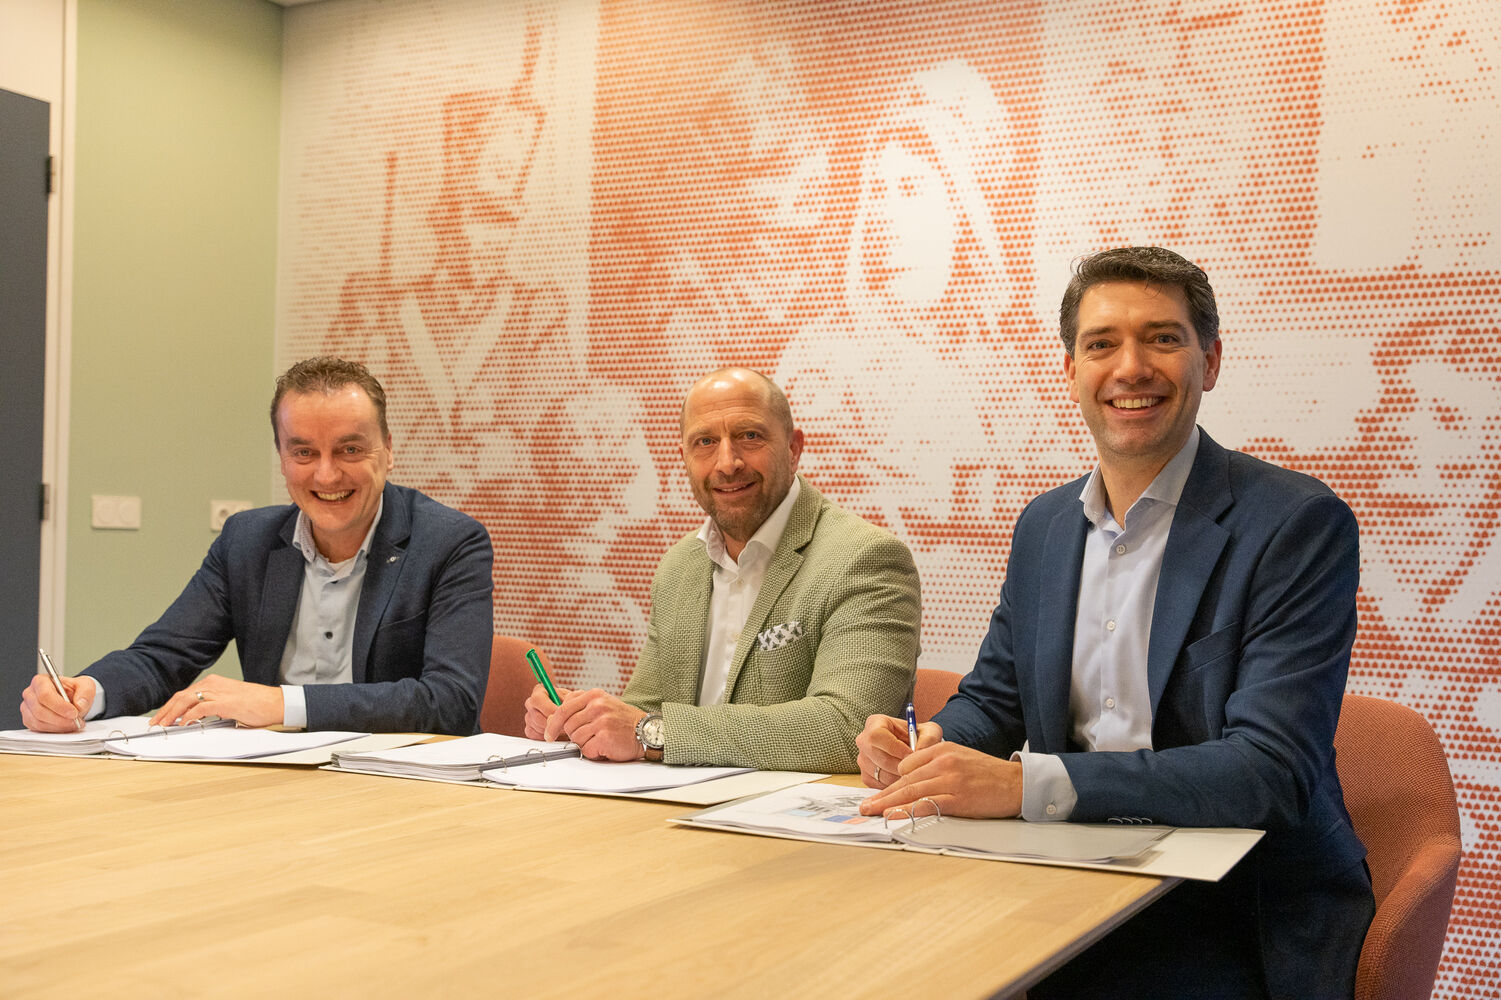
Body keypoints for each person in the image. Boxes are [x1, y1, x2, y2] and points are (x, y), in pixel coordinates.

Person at [856, 247, 1374, 998]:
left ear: (1210, 361)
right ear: (1071, 369)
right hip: (1064, 877)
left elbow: (1267, 770)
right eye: (1101, 344)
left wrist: (1026, 786)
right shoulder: (1044, 525)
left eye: (1162, 338)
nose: (1130, 367)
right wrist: (927, 748)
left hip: (1234, 905)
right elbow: (994, 701)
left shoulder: (1294, 524)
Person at [19, 357, 494, 736]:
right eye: (304, 452)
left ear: (388, 450)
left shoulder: (450, 542)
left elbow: (451, 700)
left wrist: (280, 703)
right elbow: (162, 657)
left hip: (404, 792)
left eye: (350, 450)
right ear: (282, 458)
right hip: (270, 778)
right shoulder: (247, 540)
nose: (326, 475)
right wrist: (87, 692)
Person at [524, 367, 920, 772]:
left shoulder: (865, 558)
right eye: (705, 442)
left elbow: (845, 729)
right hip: (676, 813)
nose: (727, 463)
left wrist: (655, 734)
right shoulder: (679, 567)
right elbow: (645, 710)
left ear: (793, 447)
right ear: (684, 457)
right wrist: (580, 721)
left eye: (750, 436)